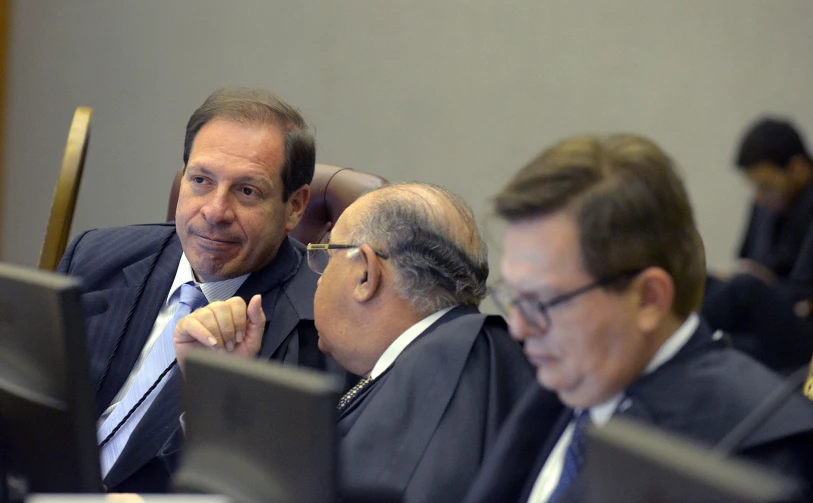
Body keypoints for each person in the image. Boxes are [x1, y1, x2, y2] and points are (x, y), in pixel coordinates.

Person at [464, 134, 813, 503]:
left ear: (648, 299)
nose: (519, 328)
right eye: (515, 297)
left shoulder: (756, 449)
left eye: (545, 301)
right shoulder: (563, 388)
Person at [174, 182, 534, 502]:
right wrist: (226, 386)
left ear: (365, 274)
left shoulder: (443, 367)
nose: (316, 280)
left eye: (324, 258)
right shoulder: (448, 356)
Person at [58, 86, 331, 493]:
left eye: (247, 191)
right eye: (201, 180)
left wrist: (214, 389)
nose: (215, 211)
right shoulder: (95, 257)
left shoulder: (319, 329)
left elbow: (271, 489)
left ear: (294, 207)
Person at [734, 117, 813, 301]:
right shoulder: (763, 206)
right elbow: (746, 260)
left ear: (797, 168)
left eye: (767, 186)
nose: (760, 197)